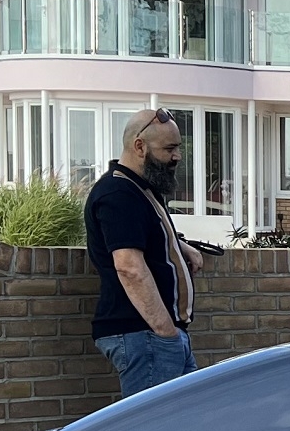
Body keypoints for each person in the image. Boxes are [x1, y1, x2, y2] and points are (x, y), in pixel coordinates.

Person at [85, 108, 205, 398]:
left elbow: (142, 236)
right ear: (140, 146)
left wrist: (177, 245)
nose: (177, 156)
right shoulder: (119, 194)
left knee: (188, 424)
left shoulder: (138, 189)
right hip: (147, 336)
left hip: (156, 337)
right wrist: (166, 333)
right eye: (170, 149)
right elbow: (129, 267)